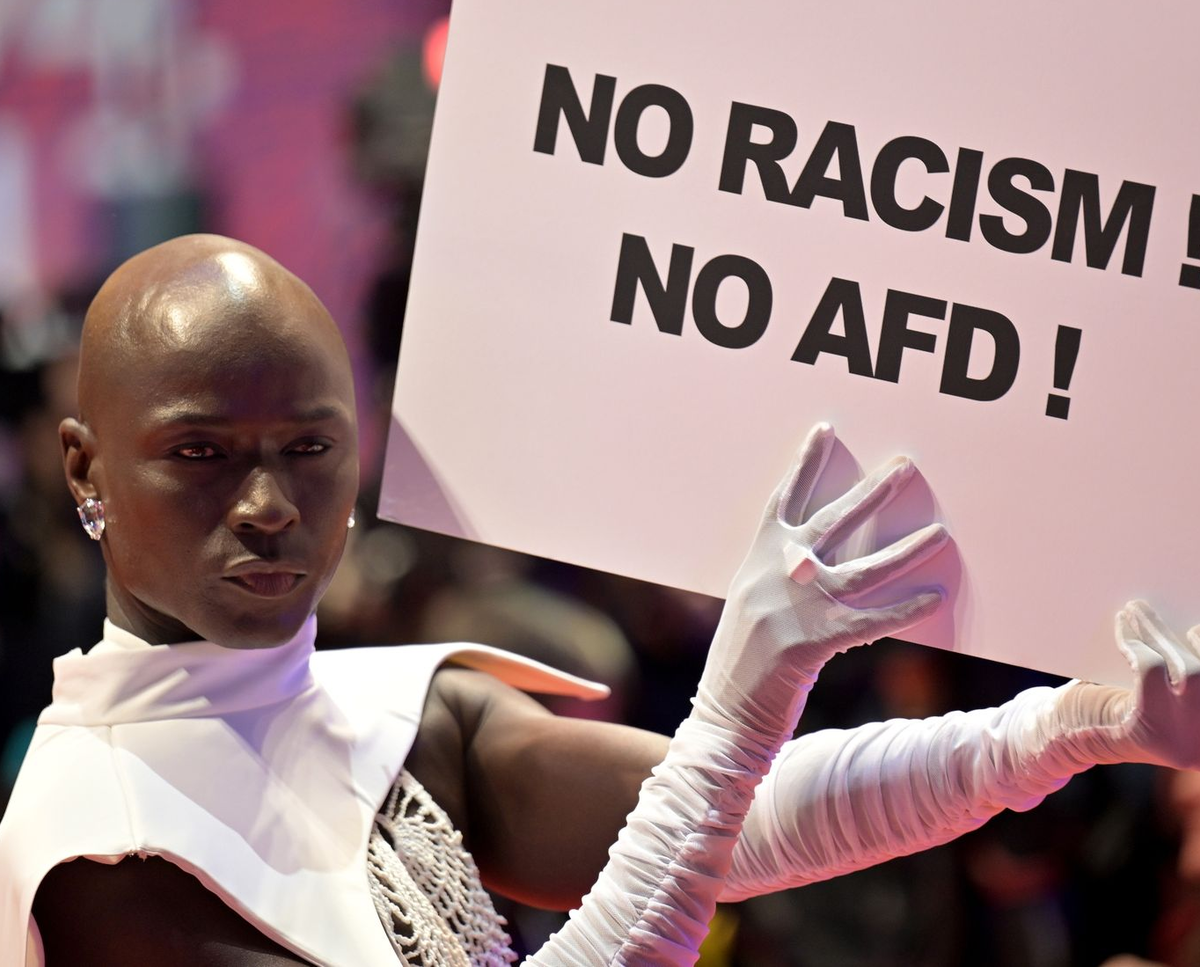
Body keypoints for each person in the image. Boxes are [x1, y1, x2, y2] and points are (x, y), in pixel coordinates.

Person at [1, 235, 1198, 967]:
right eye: (201, 453)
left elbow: (752, 821)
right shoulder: (99, 842)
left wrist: (1087, 724)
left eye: (308, 447)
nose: (269, 502)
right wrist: (740, 701)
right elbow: (714, 792)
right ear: (86, 468)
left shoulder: (397, 712)